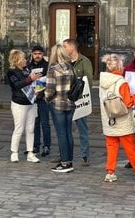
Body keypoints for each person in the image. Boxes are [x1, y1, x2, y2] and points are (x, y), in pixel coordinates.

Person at [99, 54, 135, 184]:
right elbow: (128, 102)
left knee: (111, 146)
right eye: (122, 64)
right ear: (119, 66)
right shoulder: (121, 82)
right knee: (131, 149)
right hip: (122, 120)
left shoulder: (103, 81)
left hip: (109, 119)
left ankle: (110, 172)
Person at [45, 44, 76, 173]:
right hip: (70, 103)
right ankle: (69, 160)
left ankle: (64, 163)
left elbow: (50, 90)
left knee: (61, 133)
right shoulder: (71, 67)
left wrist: (46, 98)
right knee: (68, 132)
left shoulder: (53, 69)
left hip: (57, 104)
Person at [6, 49, 40, 163]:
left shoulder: (27, 70)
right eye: (24, 58)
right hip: (19, 103)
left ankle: (30, 152)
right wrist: (30, 79)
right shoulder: (11, 72)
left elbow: (32, 83)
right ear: (18, 60)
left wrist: (38, 88)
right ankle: (14, 152)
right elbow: (17, 85)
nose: (26, 60)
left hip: (31, 102)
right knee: (19, 128)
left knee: (30, 129)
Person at [62, 38, 92, 166]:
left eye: (65, 46)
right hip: (65, 99)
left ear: (72, 47)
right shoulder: (64, 62)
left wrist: (82, 97)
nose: (63, 49)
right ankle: (63, 154)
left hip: (80, 100)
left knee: (82, 129)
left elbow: (88, 81)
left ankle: (85, 155)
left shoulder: (84, 61)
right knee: (63, 129)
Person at [28, 45, 51, 157]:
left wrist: (41, 94)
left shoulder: (47, 66)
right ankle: (35, 145)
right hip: (32, 98)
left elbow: (49, 82)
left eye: (39, 54)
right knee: (34, 123)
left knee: (45, 123)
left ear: (43, 54)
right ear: (32, 54)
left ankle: (47, 146)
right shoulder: (28, 66)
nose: (37, 56)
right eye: (35, 53)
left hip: (43, 99)